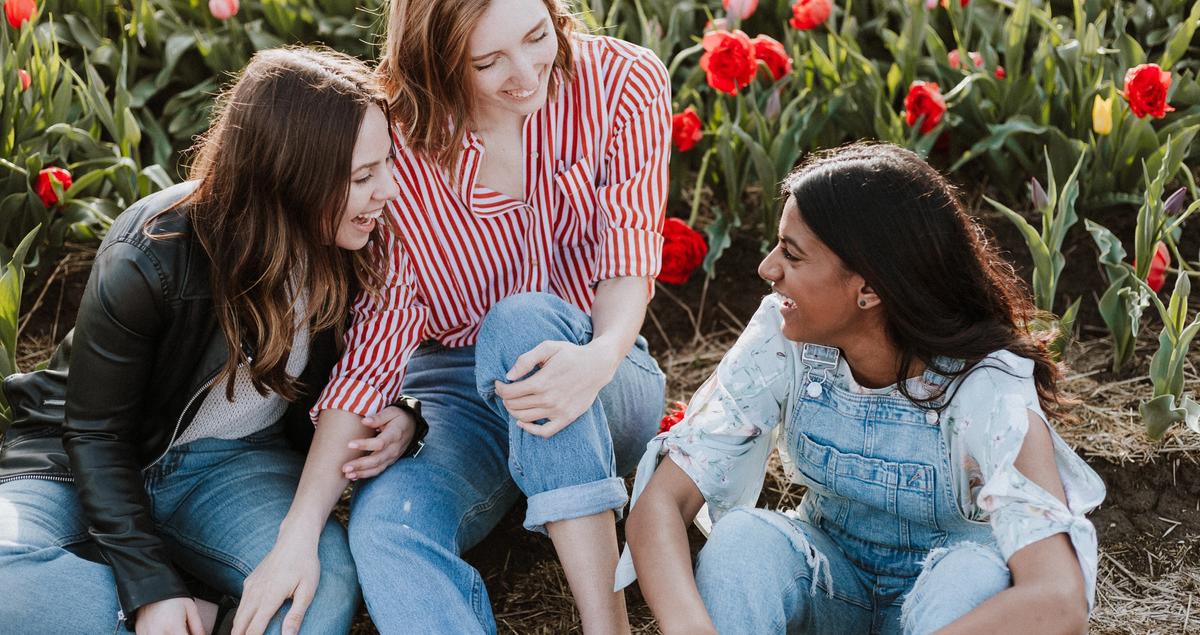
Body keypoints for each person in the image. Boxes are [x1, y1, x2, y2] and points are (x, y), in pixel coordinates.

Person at [246, 0, 669, 632]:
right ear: (434, 62)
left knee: (522, 322)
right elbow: (375, 351)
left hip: (601, 370)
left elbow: (628, 257)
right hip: (461, 392)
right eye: (488, 60)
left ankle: (604, 626)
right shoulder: (401, 150)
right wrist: (298, 533)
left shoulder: (622, 81)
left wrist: (600, 355)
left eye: (536, 36)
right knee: (388, 526)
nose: (526, 74)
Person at [0, 46, 421, 635]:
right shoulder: (151, 253)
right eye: (363, 176)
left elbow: (376, 363)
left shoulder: (363, 247)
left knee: (319, 587)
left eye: (385, 165)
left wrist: (402, 414)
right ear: (289, 178)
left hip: (232, 466)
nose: (389, 190)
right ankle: (187, 618)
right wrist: (148, 592)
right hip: (78, 459)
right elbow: (94, 433)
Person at [620, 143, 1106, 635]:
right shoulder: (785, 340)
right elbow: (660, 505)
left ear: (869, 289)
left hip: (950, 615)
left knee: (971, 572)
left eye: (792, 253)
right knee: (743, 540)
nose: (767, 268)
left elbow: (1058, 598)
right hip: (831, 586)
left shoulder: (987, 386)